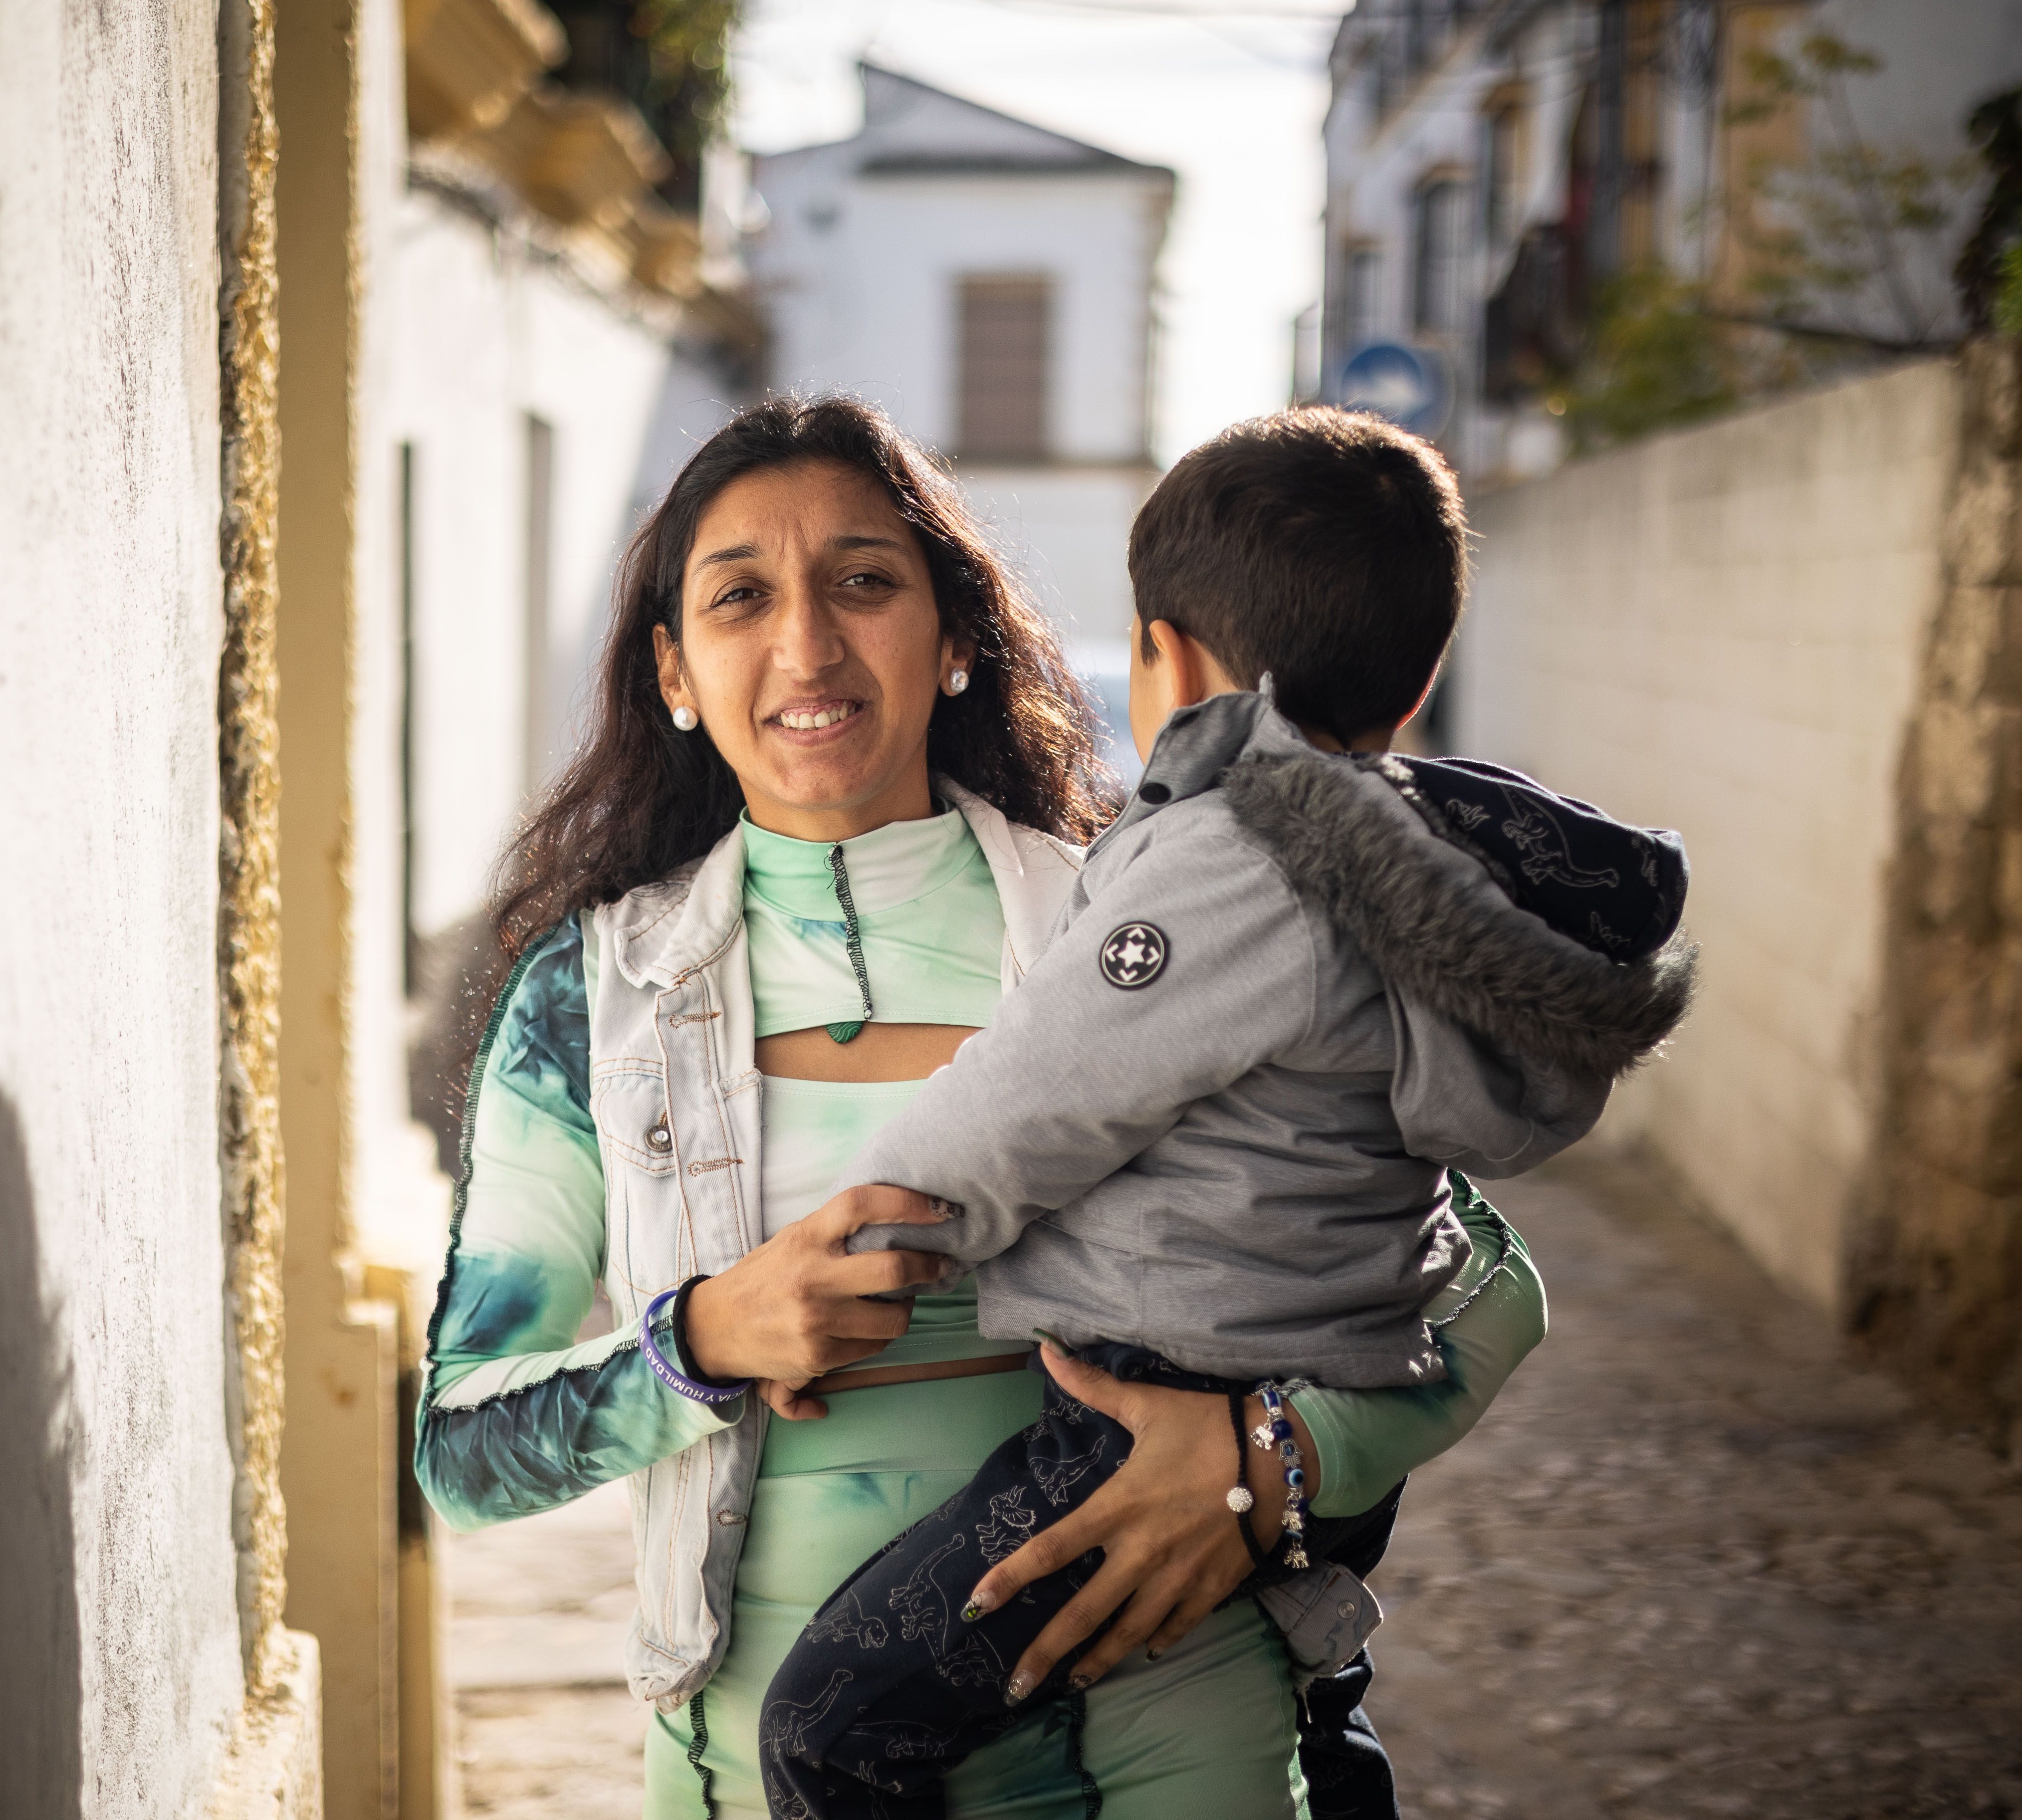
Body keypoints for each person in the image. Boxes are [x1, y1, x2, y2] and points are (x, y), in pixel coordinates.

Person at [413, 396, 1540, 1818]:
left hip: (1176, 1750)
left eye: (863, 582)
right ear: (674, 670)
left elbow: (1483, 1282)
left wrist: (1272, 1460)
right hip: (752, 1777)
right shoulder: (594, 997)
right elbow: (461, 1454)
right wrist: (699, 1343)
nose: (808, 646)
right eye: (742, 596)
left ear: (956, 639)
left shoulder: (1139, 923)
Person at [755, 407, 1700, 1819]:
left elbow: (1024, 1107)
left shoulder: (1231, 865)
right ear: (1420, 676)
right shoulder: (1414, 876)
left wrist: (837, 1260)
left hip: (1149, 1404)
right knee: (1305, 1712)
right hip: (1324, 1403)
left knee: (829, 1733)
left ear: (1171, 661)